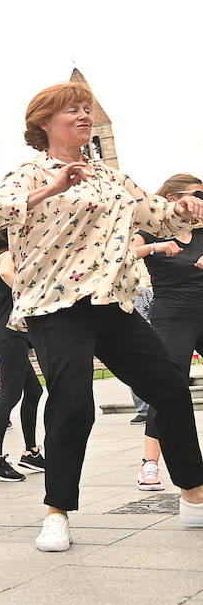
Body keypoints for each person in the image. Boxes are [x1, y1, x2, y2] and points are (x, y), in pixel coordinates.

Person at [0, 79, 203, 551]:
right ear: (45, 123)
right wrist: (53, 187)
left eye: (86, 109)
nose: (83, 116)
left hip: (112, 303)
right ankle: (57, 511)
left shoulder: (111, 179)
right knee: (74, 402)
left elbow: (159, 215)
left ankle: (193, 493)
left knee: (168, 387)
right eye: (71, 111)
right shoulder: (30, 173)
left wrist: (183, 208)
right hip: (56, 305)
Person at [131, 173, 203, 492]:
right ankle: (149, 464)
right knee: (168, 386)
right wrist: (156, 248)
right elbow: (124, 255)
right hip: (173, 315)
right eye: (197, 194)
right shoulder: (150, 229)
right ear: (174, 199)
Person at [0, 229, 46, 482]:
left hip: (2, 331)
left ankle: (31, 453)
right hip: (11, 332)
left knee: (34, 391)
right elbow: (9, 274)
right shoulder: (6, 256)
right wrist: (33, 293)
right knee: (10, 394)